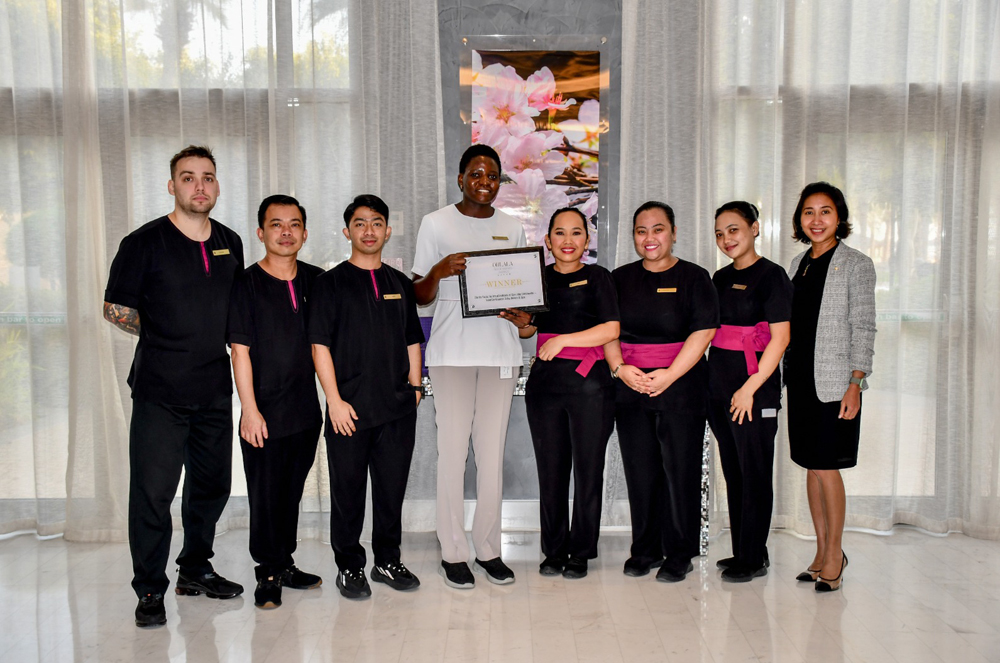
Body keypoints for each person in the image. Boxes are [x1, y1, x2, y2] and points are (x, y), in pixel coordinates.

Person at [103, 145, 245, 628]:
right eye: (188, 178)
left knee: (211, 487)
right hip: (160, 390)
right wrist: (166, 331)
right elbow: (115, 308)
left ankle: (194, 569)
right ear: (172, 186)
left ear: (218, 186)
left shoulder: (231, 241)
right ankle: (149, 589)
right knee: (153, 493)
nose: (199, 186)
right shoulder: (142, 242)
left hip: (212, 389)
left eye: (207, 177)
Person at [412, 144, 527, 588]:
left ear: (500, 182)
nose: (484, 182)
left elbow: (521, 293)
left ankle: (488, 549)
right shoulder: (435, 223)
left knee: (492, 457)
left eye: (493, 176)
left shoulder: (512, 227)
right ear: (460, 178)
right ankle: (453, 551)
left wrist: (523, 315)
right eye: (476, 174)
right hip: (451, 355)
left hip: (500, 354)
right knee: (452, 456)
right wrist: (439, 271)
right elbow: (419, 294)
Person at [309, 194, 425, 600]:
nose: (369, 230)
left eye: (377, 222)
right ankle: (349, 566)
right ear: (347, 232)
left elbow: (413, 338)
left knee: (391, 491)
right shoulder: (329, 284)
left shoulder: (400, 284)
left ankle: (387, 561)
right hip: (349, 411)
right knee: (348, 493)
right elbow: (319, 345)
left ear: (388, 231)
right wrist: (335, 402)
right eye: (360, 223)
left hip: (396, 408)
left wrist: (414, 388)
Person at [603, 201, 719, 582]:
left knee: (680, 470)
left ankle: (679, 551)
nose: (649, 238)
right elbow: (608, 331)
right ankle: (645, 549)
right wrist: (620, 370)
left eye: (658, 229)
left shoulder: (695, 277)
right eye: (641, 231)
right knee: (641, 471)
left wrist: (668, 375)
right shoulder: (618, 279)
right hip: (631, 385)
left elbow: (703, 333)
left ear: (672, 232)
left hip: (681, 385)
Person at [227, 194, 324, 609]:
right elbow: (240, 349)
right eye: (276, 224)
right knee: (265, 494)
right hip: (262, 412)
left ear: (305, 232)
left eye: (294, 224)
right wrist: (249, 409)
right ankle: (266, 571)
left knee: (290, 493)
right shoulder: (246, 283)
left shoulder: (318, 281)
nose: (286, 232)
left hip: (305, 411)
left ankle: (284, 562)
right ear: (260, 232)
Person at [519, 208, 620, 579]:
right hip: (545, 385)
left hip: (590, 384)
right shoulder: (536, 278)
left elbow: (611, 328)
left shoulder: (599, 278)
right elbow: (529, 331)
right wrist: (523, 323)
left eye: (576, 233)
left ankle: (581, 550)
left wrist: (564, 340)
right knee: (551, 470)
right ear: (547, 241)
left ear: (587, 241)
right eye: (559, 233)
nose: (567, 240)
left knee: (589, 470)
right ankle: (554, 550)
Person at [785, 182, 876, 592]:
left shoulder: (856, 264)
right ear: (799, 219)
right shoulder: (797, 264)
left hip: (836, 384)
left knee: (827, 467)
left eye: (825, 211)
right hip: (800, 379)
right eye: (809, 212)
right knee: (809, 464)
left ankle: (836, 555)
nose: (816, 220)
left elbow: (865, 327)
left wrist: (856, 382)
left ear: (839, 217)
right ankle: (821, 552)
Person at [706, 201, 792, 583]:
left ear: (755, 228)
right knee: (735, 469)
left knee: (755, 470)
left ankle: (753, 557)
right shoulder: (719, 278)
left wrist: (749, 390)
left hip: (755, 387)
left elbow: (780, 339)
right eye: (720, 233)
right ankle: (746, 549)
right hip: (719, 385)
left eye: (734, 230)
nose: (727, 239)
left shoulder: (773, 276)